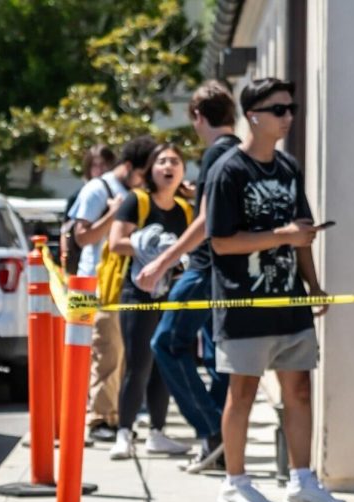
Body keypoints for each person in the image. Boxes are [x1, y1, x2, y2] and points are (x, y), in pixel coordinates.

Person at [204, 77, 346, 502]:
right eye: (279, 110)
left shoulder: (288, 168)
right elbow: (221, 242)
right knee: (242, 392)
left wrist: (314, 285)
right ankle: (235, 482)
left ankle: (303, 482)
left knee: (299, 389)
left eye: (291, 109)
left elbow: (302, 232)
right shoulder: (228, 170)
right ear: (253, 116)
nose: (287, 118)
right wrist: (278, 236)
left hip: (289, 301)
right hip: (244, 301)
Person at [135, 81, 239, 473]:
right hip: (232, 271)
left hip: (205, 267)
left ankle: (214, 429)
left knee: (166, 343)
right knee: (217, 358)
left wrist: (161, 262)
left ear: (198, 116)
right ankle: (220, 443)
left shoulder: (215, 154)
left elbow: (205, 222)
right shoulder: (242, 152)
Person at [106, 143, 193, 460]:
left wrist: (176, 258)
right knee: (138, 362)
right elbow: (116, 244)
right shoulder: (137, 201)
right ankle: (124, 433)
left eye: (175, 161)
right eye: (162, 161)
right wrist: (149, 246)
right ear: (150, 170)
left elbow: (190, 250)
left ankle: (157, 432)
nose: (169, 166)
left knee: (164, 363)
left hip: (172, 292)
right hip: (137, 292)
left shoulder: (185, 209)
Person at [68, 135, 156, 442]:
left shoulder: (136, 191)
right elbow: (82, 237)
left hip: (119, 282)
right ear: (130, 167)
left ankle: (110, 415)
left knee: (116, 353)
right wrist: (113, 214)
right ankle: (99, 420)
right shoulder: (98, 189)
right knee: (103, 352)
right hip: (91, 284)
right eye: (146, 173)